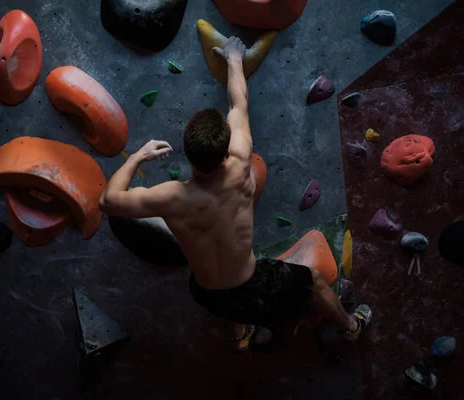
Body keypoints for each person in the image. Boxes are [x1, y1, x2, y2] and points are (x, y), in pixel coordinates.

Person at [99, 36, 371, 351]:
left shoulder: (169, 197)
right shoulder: (240, 162)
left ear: (188, 155)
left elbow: (108, 201)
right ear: (225, 152)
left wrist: (138, 156)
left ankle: (241, 335)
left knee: (221, 288)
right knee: (313, 281)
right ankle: (351, 327)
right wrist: (233, 57)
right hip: (254, 288)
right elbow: (238, 103)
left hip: (205, 293)